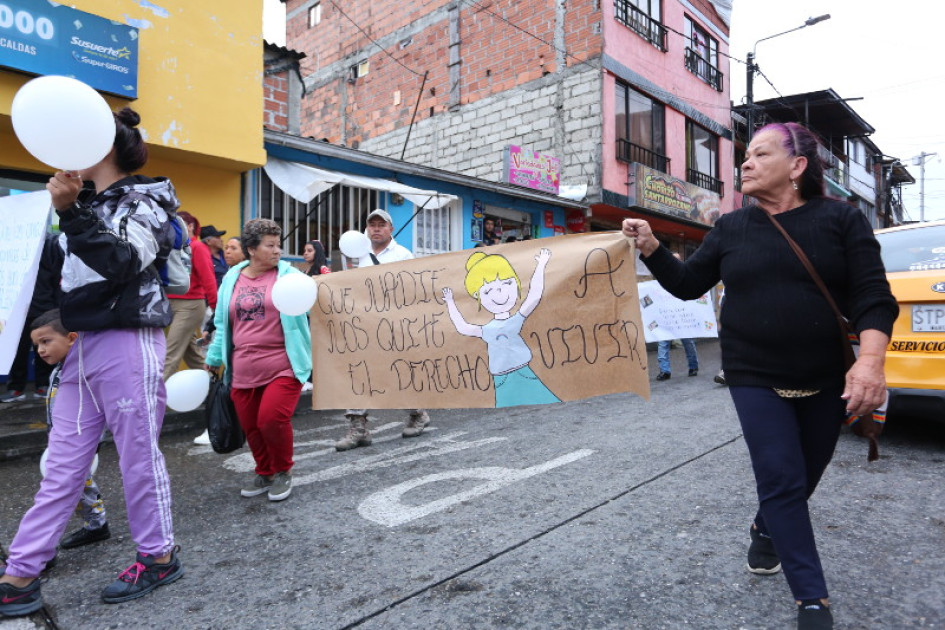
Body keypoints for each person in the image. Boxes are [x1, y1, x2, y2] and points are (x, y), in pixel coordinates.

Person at [621, 122, 897, 630]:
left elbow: (873, 296)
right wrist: (652, 246)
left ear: (797, 166)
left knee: (803, 477)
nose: (745, 163)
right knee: (781, 477)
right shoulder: (731, 227)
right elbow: (688, 284)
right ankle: (812, 600)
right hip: (752, 375)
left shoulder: (842, 219)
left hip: (826, 376)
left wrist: (870, 362)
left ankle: (766, 529)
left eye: (761, 154)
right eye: (745, 156)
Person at [0, 107, 183, 616]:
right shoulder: (80, 206)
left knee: (137, 457)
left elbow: (123, 261)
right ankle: (20, 573)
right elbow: (55, 279)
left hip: (127, 342)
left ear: (102, 146)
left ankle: (159, 556)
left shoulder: (146, 201)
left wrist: (71, 212)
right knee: (62, 466)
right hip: (78, 349)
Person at [204, 218, 312, 502]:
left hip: (283, 364)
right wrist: (214, 356)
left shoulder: (291, 277)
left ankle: (284, 471)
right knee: (251, 425)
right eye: (270, 245)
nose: (277, 251)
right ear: (252, 249)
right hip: (243, 367)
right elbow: (222, 322)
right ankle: (265, 472)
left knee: (271, 419)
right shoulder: (232, 278)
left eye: (278, 245)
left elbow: (315, 305)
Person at [336, 209, 430, 450]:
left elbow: (413, 288)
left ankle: (418, 413)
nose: (376, 229)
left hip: (394, 325)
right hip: (363, 324)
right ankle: (358, 428)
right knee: (358, 373)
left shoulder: (403, 254)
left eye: (381, 224)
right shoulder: (357, 254)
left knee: (398, 373)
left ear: (391, 229)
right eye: (372, 225)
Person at [30, 310, 110, 550]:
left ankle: (43, 546)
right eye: (37, 345)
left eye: (46, 342)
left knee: (64, 489)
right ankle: (96, 524)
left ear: (72, 338)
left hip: (80, 441)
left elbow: (98, 408)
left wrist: (94, 441)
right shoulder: (59, 368)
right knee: (78, 485)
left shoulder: (86, 370)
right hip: (61, 437)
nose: (41, 350)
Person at [442, 249, 561, 407]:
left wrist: (541, 265)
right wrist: (450, 302)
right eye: (488, 291)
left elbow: (534, 296)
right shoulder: (488, 329)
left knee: (543, 402)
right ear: (478, 296)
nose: (500, 294)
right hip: (501, 379)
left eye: (507, 283)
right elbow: (462, 327)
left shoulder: (515, 321)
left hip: (523, 372)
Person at [0, 235, 62, 403]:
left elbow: (57, 274)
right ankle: (15, 387)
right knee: (16, 349)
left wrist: (56, 306)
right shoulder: (10, 242)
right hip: (15, 307)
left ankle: (44, 384)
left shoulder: (48, 243)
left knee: (45, 347)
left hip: (44, 305)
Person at [164, 210, 217, 381]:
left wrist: (216, 308)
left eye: (179, 224)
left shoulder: (197, 247)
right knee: (193, 356)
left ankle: (154, 396)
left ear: (190, 226)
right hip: (171, 304)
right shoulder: (170, 246)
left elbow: (208, 278)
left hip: (190, 305)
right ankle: (212, 386)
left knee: (170, 353)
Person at [655, 255, 699, 380]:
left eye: (677, 260)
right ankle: (665, 371)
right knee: (662, 344)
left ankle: (693, 367)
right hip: (667, 318)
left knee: (688, 343)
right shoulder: (661, 278)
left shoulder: (687, 277)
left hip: (682, 318)